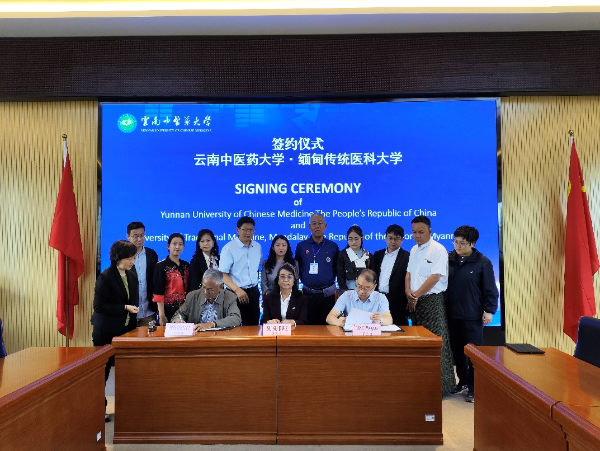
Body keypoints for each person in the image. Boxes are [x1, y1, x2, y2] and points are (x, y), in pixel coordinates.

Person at [446, 225, 498, 403]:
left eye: (462, 243)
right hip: (452, 314)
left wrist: (489, 310)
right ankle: (463, 382)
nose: (457, 246)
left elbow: (490, 289)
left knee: (473, 353)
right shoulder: (449, 259)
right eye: (455, 242)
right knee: (457, 352)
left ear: (472, 243)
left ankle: (475, 387)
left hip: (472, 315)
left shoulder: (482, 262)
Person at [91, 240, 140, 421]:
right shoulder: (106, 277)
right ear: (118, 257)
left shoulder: (132, 275)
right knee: (103, 372)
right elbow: (99, 306)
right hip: (105, 331)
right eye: (129, 258)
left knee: (127, 370)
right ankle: (99, 409)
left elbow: (133, 301)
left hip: (126, 331)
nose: (132, 261)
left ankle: (127, 407)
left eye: (134, 258)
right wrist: (124, 307)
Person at [405, 215, 455, 394]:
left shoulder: (438, 249)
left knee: (436, 342)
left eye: (421, 232)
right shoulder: (413, 249)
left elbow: (435, 277)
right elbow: (409, 273)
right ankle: (424, 384)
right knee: (421, 344)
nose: (417, 236)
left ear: (430, 231)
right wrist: (408, 292)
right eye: (414, 232)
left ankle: (441, 387)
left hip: (431, 301)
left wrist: (416, 295)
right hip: (414, 301)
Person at [295, 213, 339, 325]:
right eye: (314, 224)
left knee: (329, 327)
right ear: (309, 227)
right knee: (308, 327)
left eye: (320, 223)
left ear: (325, 226)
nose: (317, 226)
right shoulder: (302, 246)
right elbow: (298, 268)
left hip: (328, 295)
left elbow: (336, 268)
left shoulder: (333, 246)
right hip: (308, 295)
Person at [219, 217, 263, 325]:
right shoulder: (229, 248)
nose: (248, 233)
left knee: (253, 327)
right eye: (245, 229)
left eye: (251, 229)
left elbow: (257, 268)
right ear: (237, 230)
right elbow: (222, 274)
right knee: (234, 327)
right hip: (234, 294)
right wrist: (237, 290)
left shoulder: (257, 247)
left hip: (253, 293)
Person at [171, 269, 242, 331]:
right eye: (203, 287)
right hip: (196, 336)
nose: (205, 292)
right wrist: (178, 320)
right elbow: (179, 313)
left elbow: (235, 318)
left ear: (221, 287)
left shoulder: (229, 297)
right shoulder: (193, 296)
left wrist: (212, 324)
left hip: (219, 337)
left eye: (210, 290)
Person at [371, 224, 410, 326]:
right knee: (378, 328)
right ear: (385, 238)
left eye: (396, 239)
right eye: (390, 238)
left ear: (402, 240)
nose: (393, 241)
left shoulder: (407, 257)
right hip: (378, 298)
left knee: (397, 328)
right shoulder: (377, 255)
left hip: (397, 300)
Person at [326, 269, 393, 327]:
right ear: (356, 281)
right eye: (359, 286)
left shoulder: (381, 298)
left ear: (374, 287)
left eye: (367, 288)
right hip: (351, 334)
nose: (361, 291)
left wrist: (381, 320)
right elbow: (330, 317)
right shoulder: (346, 296)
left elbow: (389, 320)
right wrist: (340, 323)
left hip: (372, 334)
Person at [126, 221, 159, 326]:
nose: (139, 239)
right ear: (128, 236)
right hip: (129, 312)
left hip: (149, 312)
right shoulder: (123, 256)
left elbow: (155, 281)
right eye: (136, 236)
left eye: (142, 235)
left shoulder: (152, 254)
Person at [153, 233, 190, 325]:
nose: (177, 247)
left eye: (180, 244)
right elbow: (158, 292)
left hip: (185, 309)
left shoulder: (186, 265)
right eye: (174, 244)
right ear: (168, 246)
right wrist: (162, 315)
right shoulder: (160, 266)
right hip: (167, 310)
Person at [336, 225, 370, 295]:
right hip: (347, 293)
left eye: (356, 239)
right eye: (350, 239)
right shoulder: (342, 255)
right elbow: (340, 278)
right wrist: (346, 293)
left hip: (365, 293)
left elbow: (371, 277)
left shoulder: (368, 256)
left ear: (362, 238)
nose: (353, 242)